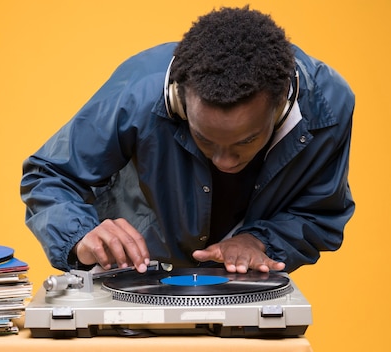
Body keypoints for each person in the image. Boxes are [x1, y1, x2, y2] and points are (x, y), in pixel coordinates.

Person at [20, 6, 355, 275]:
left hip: (242, 290)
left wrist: (260, 241)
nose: (224, 161)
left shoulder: (329, 108)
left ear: (282, 104)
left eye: (247, 141)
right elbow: (50, 175)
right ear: (178, 99)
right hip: (134, 280)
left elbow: (319, 214)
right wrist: (79, 235)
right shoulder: (139, 93)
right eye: (204, 139)